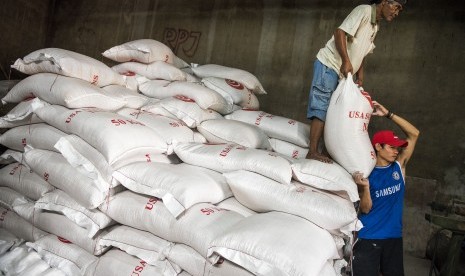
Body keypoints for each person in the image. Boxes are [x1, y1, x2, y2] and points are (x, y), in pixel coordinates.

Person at [306, 0, 406, 163]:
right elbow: (340, 33)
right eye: (396, 7)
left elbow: (362, 52)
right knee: (322, 107)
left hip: (342, 73)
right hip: (329, 65)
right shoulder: (365, 11)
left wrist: (360, 74)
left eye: (400, 11)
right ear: (384, 2)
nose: (396, 13)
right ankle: (312, 151)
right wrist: (346, 61)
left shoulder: (375, 26)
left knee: (335, 112)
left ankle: (325, 151)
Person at [351, 100, 420, 276]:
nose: (396, 151)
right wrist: (365, 188)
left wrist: (388, 114)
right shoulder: (367, 173)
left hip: (393, 238)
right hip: (368, 237)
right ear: (378, 147)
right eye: (391, 147)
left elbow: (414, 134)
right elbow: (365, 209)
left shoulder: (399, 167)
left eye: (397, 148)